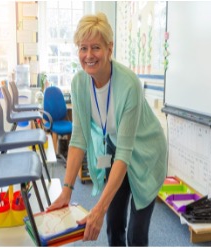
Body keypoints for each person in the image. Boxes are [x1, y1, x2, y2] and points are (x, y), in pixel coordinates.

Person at [47, 12, 167, 246]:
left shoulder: (129, 84)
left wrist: (97, 210)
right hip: (116, 148)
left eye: (96, 47)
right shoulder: (79, 83)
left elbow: (125, 152)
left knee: (136, 234)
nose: (89, 55)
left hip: (147, 153)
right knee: (113, 226)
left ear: (109, 49)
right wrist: (67, 191)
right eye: (83, 48)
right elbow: (78, 139)